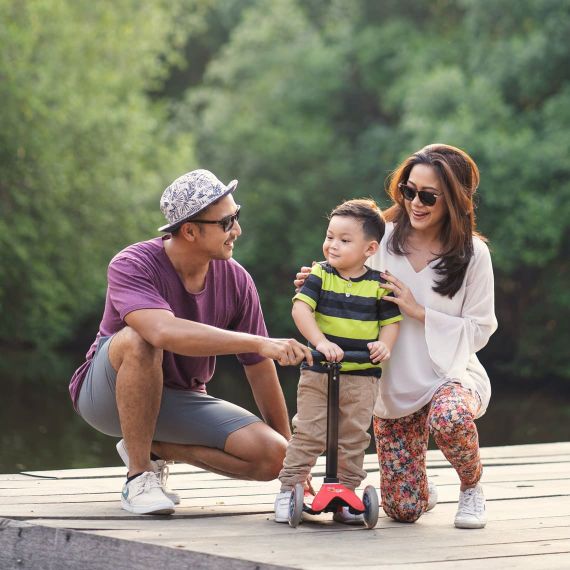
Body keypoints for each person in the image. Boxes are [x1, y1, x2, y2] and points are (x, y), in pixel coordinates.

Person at [69, 169, 312, 515]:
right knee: (140, 338)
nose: (237, 230)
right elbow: (161, 332)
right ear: (190, 231)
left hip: (181, 398)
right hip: (106, 396)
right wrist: (258, 342)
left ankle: (156, 448)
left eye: (236, 216)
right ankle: (138, 477)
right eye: (226, 222)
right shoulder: (132, 264)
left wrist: (294, 466)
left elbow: (259, 368)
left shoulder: (237, 280)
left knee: (275, 457)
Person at [295, 144, 497, 529]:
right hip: (391, 387)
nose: (415, 203)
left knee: (450, 418)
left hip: (449, 375)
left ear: (455, 199)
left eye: (428, 196)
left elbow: (481, 330)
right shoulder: (380, 239)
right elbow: (341, 274)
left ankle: (471, 486)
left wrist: (418, 311)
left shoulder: (474, 254)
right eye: (408, 190)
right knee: (404, 510)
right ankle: (418, 487)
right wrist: (316, 284)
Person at [275, 199, 402, 524]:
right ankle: (290, 489)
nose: (333, 245)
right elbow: (301, 309)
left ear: (369, 248)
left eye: (344, 240)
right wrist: (321, 342)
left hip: (362, 375)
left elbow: (390, 323)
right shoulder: (320, 274)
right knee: (309, 431)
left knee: (353, 436)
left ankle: (345, 493)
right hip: (319, 370)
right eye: (330, 236)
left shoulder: (378, 284)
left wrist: (384, 345)